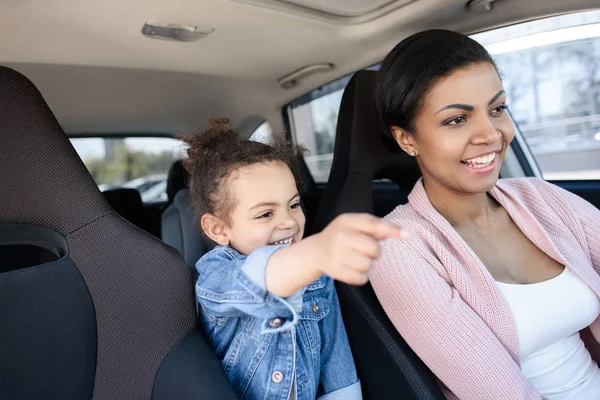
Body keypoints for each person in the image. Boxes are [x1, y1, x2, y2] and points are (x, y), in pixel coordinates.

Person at [369, 29, 600, 400]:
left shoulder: (540, 198)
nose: (490, 134)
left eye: (496, 109)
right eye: (456, 120)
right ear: (406, 139)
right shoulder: (399, 247)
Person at [183, 118, 405, 400]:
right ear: (218, 228)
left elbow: (335, 358)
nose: (289, 222)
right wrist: (315, 252)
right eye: (265, 214)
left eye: (294, 205)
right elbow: (255, 281)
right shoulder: (215, 274)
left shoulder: (317, 274)